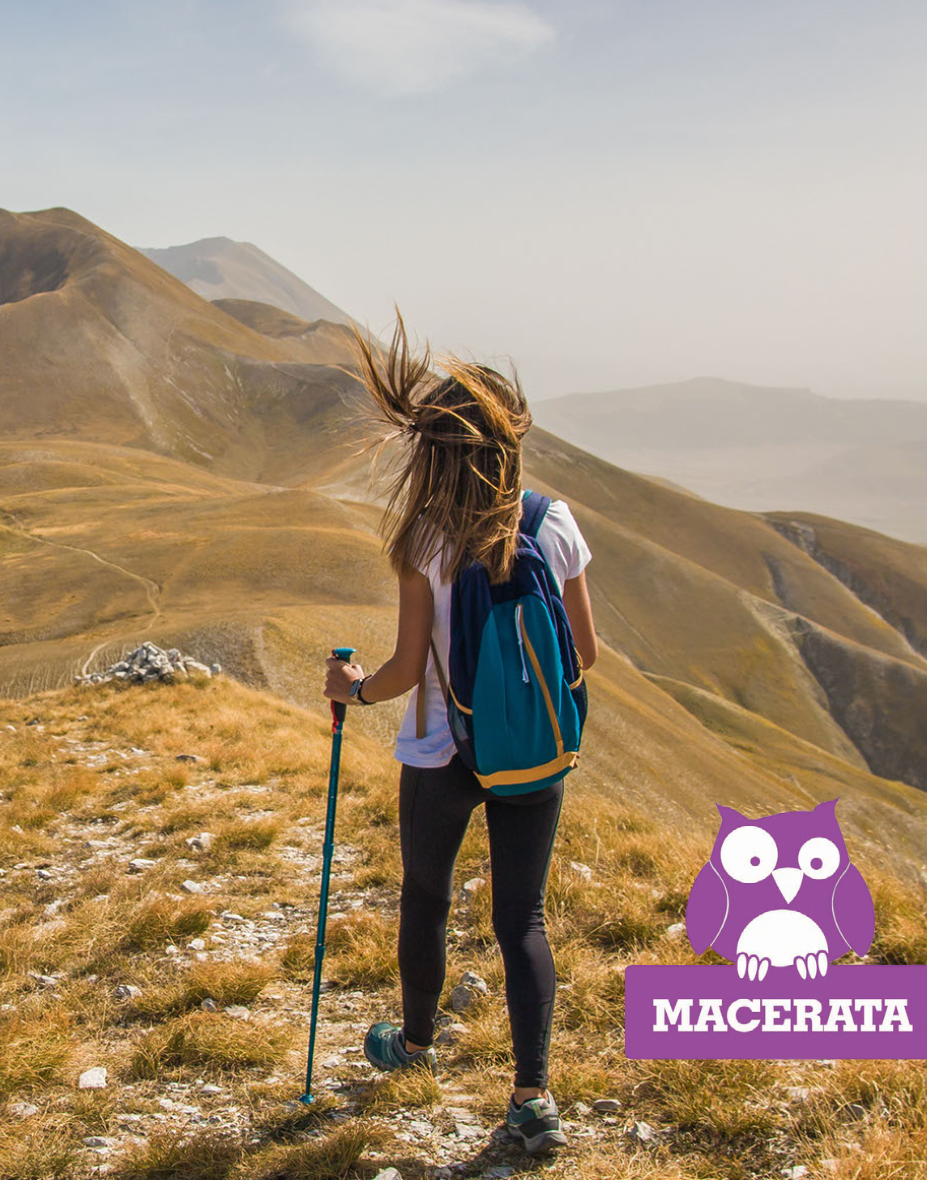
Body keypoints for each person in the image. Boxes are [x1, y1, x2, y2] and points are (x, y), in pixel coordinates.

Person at [322, 319, 598, 1157]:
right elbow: (585, 653)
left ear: (433, 454)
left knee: (426, 895)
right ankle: (532, 1098)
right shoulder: (554, 524)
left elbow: (407, 667)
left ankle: (412, 1042)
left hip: (441, 751)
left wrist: (353, 689)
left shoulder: (422, 541)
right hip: (532, 752)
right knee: (523, 920)